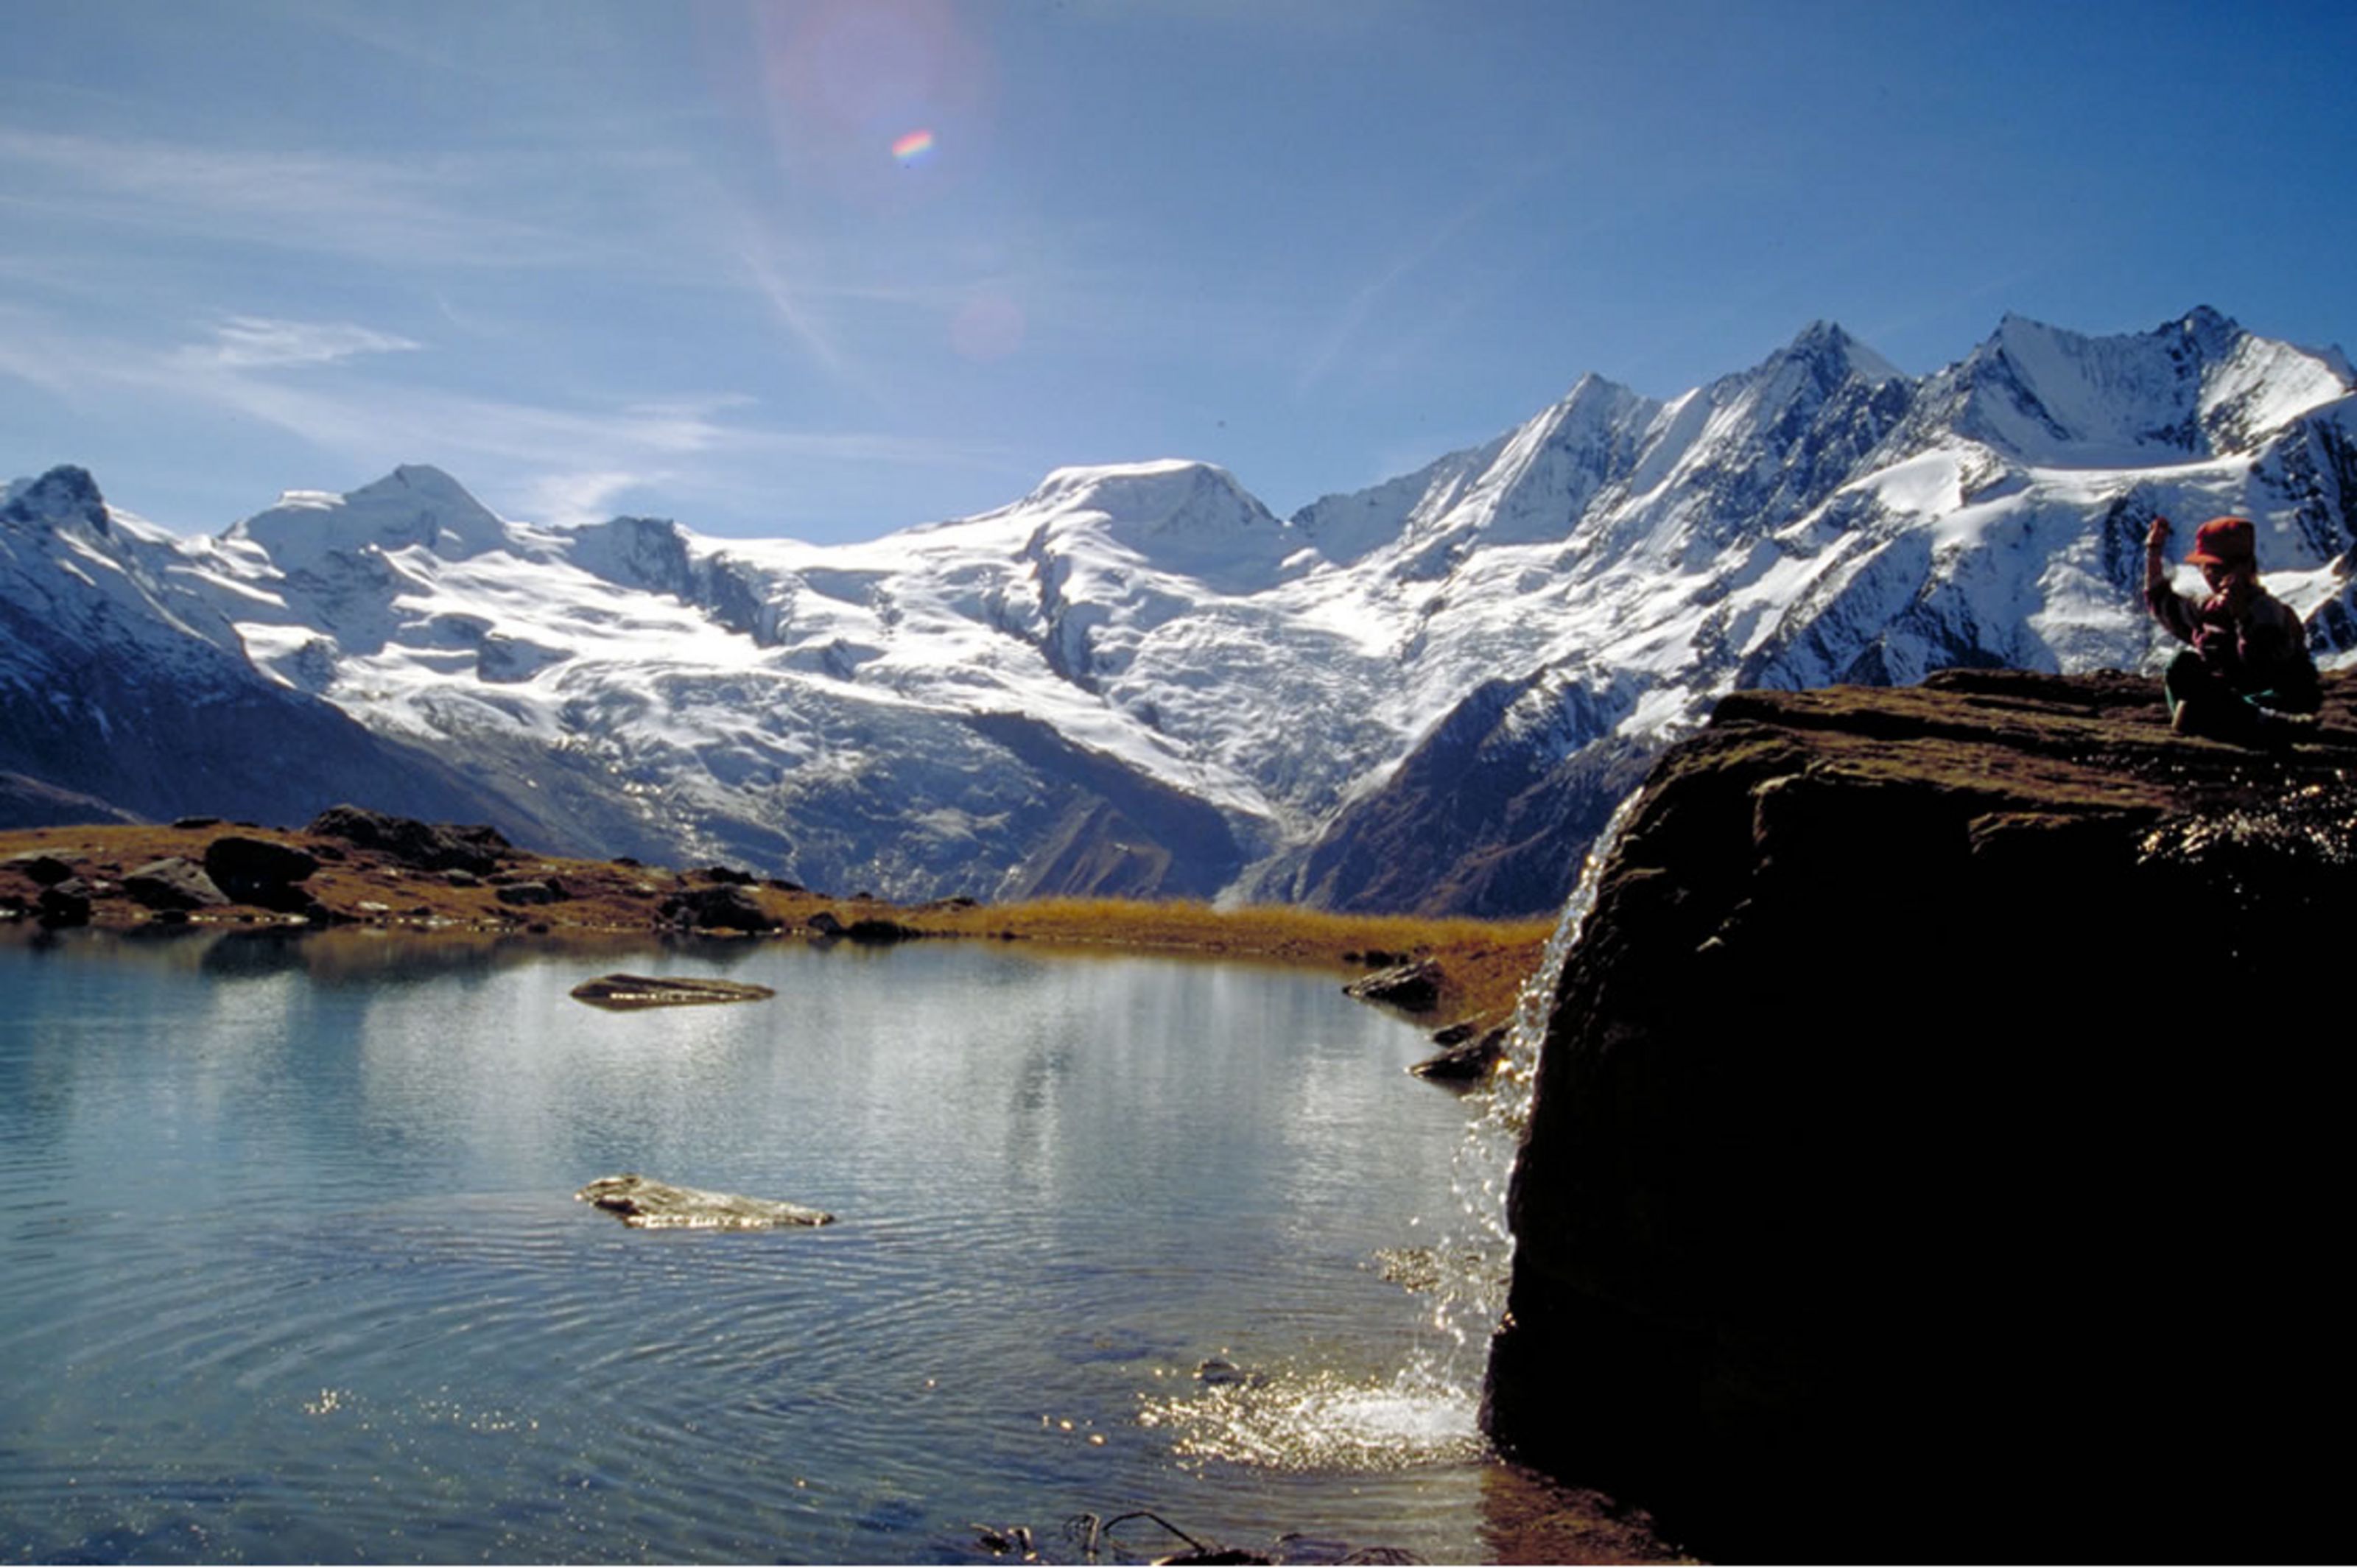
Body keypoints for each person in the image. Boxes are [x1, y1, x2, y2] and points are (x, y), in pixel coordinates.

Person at [2143, 514, 2320, 743]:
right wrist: (2154, 552)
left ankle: (2268, 723)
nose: (2213, 576)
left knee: (2214, 701)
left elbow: (2263, 664)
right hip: (2228, 696)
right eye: (2209, 569)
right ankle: (2239, 720)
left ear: (2245, 568)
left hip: (2269, 695)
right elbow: (2164, 604)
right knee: (2182, 665)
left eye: (2220, 568)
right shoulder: (2210, 608)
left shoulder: (2267, 610)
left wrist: (2242, 618)